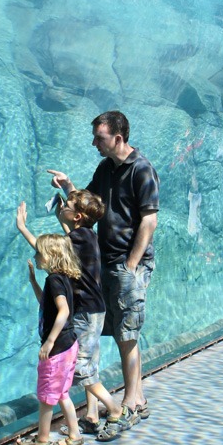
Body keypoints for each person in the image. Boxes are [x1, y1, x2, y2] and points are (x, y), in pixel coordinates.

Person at [47, 110, 159, 421]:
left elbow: (149, 221)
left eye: (100, 137)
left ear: (118, 138)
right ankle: (116, 401)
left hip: (127, 264)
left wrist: (131, 265)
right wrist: (69, 185)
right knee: (105, 330)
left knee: (127, 331)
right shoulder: (105, 168)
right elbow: (88, 207)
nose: (94, 142)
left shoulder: (142, 170)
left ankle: (135, 398)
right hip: (105, 263)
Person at [16, 193, 133, 441]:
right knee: (86, 365)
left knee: (81, 368)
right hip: (93, 310)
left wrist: (22, 228)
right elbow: (65, 241)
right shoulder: (87, 235)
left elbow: (48, 250)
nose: (63, 207)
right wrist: (64, 214)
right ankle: (90, 417)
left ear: (77, 216)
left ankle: (114, 410)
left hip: (85, 313)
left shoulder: (76, 238)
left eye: (66, 206)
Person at [15, 233, 84, 445]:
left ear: (50, 255)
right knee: (62, 393)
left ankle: (42, 440)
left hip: (58, 348)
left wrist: (49, 342)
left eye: (39, 252)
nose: (35, 255)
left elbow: (63, 311)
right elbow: (46, 304)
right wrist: (33, 281)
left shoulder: (54, 280)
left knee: (46, 396)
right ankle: (75, 436)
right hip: (70, 345)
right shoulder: (61, 278)